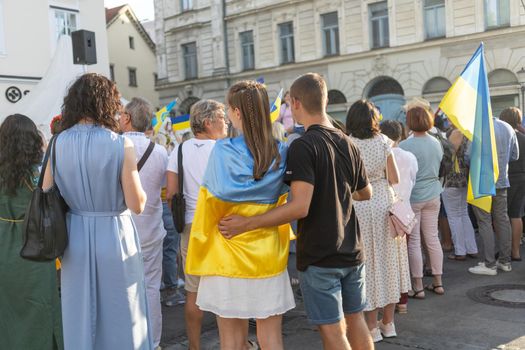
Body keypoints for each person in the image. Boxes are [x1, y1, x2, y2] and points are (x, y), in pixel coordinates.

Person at [219, 73, 374, 350]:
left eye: (289, 104)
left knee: (333, 332)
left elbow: (300, 206)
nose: (288, 109)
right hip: (352, 248)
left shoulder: (303, 145)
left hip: (321, 253)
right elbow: (365, 192)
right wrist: (336, 188)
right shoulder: (347, 142)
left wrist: (247, 223)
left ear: (298, 103)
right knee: (357, 322)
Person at [42, 73, 153, 349]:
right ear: (108, 102)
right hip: (115, 236)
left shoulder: (58, 142)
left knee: (79, 313)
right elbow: (137, 203)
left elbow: (45, 189)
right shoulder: (120, 143)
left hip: (75, 235)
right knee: (123, 313)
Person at [185, 82, 295, 350]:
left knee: (231, 342)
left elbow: (208, 206)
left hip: (226, 252)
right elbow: (283, 200)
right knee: (271, 338)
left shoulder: (222, 150)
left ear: (235, 112)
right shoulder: (280, 151)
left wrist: (198, 250)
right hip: (268, 253)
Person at [166, 100, 230, 350]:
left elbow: (171, 192)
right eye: (222, 116)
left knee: (193, 291)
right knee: (225, 292)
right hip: (221, 227)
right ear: (208, 122)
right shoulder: (223, 150)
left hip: (191, 228)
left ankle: (194, 346)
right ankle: (232, 343)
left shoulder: (179, 151)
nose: (225, 121)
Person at [346, 101, 410, 342]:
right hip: (384, 202)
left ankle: (371, 327)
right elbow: (394, 177)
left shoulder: (348, 143)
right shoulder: (384, 141)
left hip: (360, 204)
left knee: (367, 266)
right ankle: (389, 323)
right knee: (390, 263)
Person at [0, 114, 63, 350]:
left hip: (3, 249)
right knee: (40, 308)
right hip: (33, 248)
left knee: (7, 312)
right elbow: (53, 197)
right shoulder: (37, 174)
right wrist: (45, 149)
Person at [119, 97, 168, 348]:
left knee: (124, 291)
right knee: (150, 289)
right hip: (151, 230)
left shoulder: (117, 148)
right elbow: (164, 189)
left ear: (127, 118)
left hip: (122, 232)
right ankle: (154, 342)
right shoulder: (160, 151)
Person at [399, 106, 444, 298]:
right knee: (433, 238)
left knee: (415, 241)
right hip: (434, 193)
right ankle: (438, 282)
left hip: (414, 196)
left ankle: (417, 285)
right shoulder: (436, 142)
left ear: (409, 122)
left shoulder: (405, 146)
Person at [468, 109, 519, 275]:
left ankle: (489, 263)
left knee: (484, 221)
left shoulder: (476, 129)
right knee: (502, 219)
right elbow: (515, 155)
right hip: (502, 180)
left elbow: (468, 156)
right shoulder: (508, 127)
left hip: (482, 181)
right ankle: (505, 261)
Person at [380, 120, 418, 314]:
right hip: (404, 210)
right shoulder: (410, 156)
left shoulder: (382, 154)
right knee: (402, 260)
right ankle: (402, 301)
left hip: (385, 210)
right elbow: (413, 180)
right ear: (400, 135)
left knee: (386, 260)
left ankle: (387, 303)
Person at [441, 126, 478, 260]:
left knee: (454, 216)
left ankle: (460, 251)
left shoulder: (450, 135)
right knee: (463, 214)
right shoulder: (468, 136)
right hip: (464, 179)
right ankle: (472, 248)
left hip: (450, 181)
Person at [499, 107, 525, 261]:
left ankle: (506, 251)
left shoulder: (505, 137)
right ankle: (515, 252)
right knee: (517, 215)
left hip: (508, 179)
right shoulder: (523, 137)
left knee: (504, 216)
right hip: (522, 178)